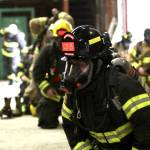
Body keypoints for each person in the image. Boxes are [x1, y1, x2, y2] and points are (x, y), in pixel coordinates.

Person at [60, 25, 150, 150]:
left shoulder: (123, 86)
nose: (72, 73)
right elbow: (73, 134)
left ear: (97, 62)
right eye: (70, 64)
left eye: (79, 64)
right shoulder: (73, 94)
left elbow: (146, 133)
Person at [32, 19, 73, 129]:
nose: (61, 41)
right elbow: (37, 73)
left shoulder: (76, 51)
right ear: (53, 38)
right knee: (46, 119)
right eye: (57, 38)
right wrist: (47, 88)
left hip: (74, 96)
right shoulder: (48, 51)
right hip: (54, 95)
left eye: (64, 39)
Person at [0, 24, 26, 118]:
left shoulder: (16, 34)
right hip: (10, 55)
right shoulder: (12, 33)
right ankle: (13, 82)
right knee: (11, 72)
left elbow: (22, 46)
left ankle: (14, 82)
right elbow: (23, 46)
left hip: (11, 55)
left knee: (13, 72)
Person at [128, 28, 150, 93]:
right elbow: (130, 59)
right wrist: (138, 68)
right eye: (149, 36)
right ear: (145, 36)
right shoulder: (139, 46)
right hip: (142, 79)